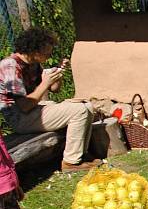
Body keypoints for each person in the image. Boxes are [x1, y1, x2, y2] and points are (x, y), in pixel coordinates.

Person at [0, 28, 99, 172]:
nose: (50, 54)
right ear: (34, 49)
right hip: (20, 117)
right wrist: (45, 83)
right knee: (79, 111)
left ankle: (81, 154)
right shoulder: (10, 66)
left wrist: (58, 73)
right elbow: (24, 106)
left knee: (87, 106)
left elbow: (54, 89)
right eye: (47, 51)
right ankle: (71, 162)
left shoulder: (33, 63)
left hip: (33, 109)